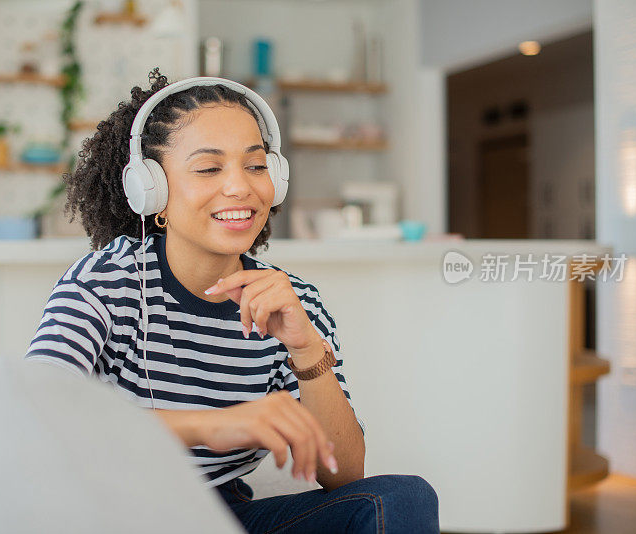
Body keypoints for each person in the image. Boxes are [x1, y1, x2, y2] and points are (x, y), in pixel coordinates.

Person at [25, 67, 439, 533]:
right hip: (110, 512)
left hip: (222, 516)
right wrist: (212, 426)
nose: (240, 187)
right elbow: (34, 416)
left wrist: (306, 351)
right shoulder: (104, 281)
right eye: (208, 168)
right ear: (150, 191)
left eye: (256, 165)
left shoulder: (292, 300)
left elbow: (342, 473)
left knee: (403, 498)